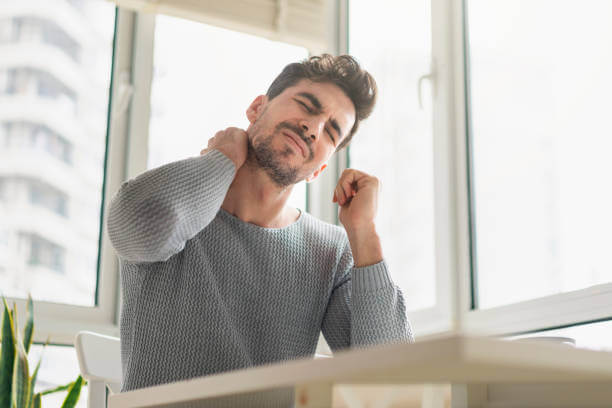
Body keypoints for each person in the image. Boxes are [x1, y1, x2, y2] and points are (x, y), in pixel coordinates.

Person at [107, 54, 414, 393]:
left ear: (320, 170)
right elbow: (130, 230)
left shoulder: (330, 252)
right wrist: (223, 157)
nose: (313, 128)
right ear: (256, 109)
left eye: (330, 131)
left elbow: (393, 380)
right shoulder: (178, 208)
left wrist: (363, 232)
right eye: (307, 106)